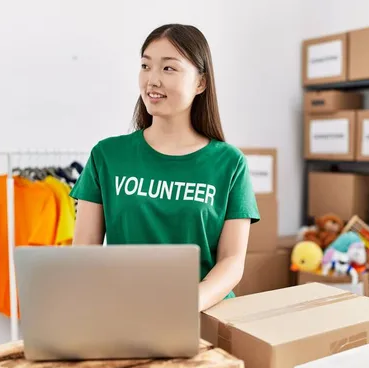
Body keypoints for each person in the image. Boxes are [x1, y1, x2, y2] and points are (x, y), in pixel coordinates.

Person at [69, 23, 261, 312]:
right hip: (123, 314)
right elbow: (84, 251)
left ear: (201, 83)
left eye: (168, 68)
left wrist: (185, 304)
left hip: (202, 318)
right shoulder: (106, 155)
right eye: (145, 66)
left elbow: (232, 263)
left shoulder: (230, 163)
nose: (152, 80)